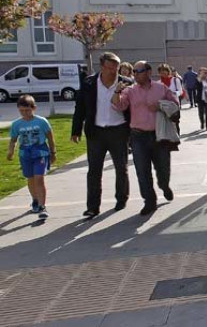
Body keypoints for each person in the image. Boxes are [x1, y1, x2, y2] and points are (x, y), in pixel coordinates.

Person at [71, 52, 133, 219]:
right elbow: (80, 108)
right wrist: (76, 130)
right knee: (94, 171)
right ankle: (92, 207)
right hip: (96, 132)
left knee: (121, 168)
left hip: (119, 131)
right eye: (110, 67)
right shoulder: (89, 83)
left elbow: (133, 109)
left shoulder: (127, 83)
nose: (114, 71)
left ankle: (121, 199)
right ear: (102, 66)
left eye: (116, 67)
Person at [112, 61, 178, 216]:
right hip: (138, 136)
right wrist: (116, 92)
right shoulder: (130, 91)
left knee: (163, 169)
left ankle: (164, 186)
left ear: (148, 72)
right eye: (133, 71)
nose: (134, 74)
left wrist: (161, 105)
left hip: (159, 136)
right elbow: (118, 106)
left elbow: (175, 104)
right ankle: (149, 201)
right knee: (142, 171)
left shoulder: (161, 88)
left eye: (138, 71)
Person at [7, 95, 55, 219]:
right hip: (25, 154)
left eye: (27, 110)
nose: (25, 113)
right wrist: (11, 151)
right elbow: (13, 139)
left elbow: (50, 136)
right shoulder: (16, 124)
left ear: (34, 108)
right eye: (21, 111)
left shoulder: (41, 121)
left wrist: (53, 152)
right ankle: (35, 199)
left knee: (39, 178)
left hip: (40, 152)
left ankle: (42, 206)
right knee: (31, 178)